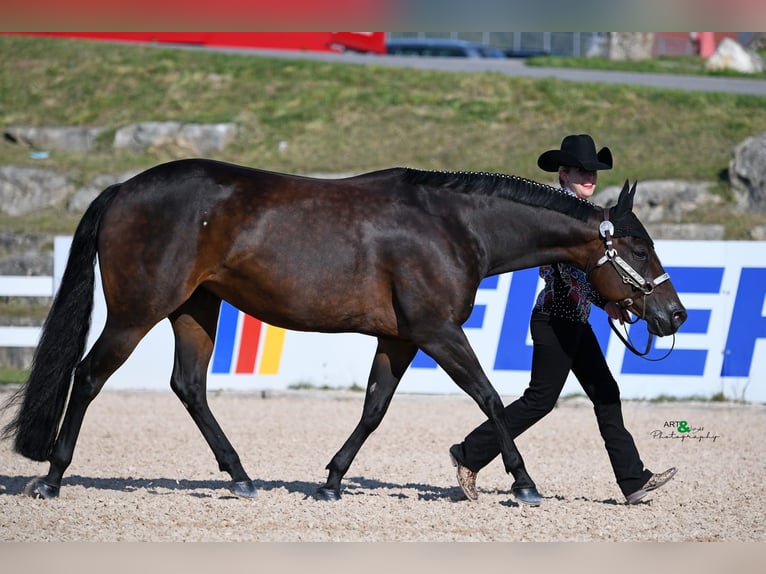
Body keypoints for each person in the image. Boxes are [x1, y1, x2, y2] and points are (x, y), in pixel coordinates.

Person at [448, 134, 677, 506]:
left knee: (606, 393)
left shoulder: (587, 216)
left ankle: (634, 481)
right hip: (554, 319)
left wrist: (605, 303)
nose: (589, 177)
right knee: (539, 401)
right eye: (581, 171)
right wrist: (604, 303)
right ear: (563, 174)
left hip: (575, 321)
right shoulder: (557, 215)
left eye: (593, 172)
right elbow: (563, 272)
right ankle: (469, 454)